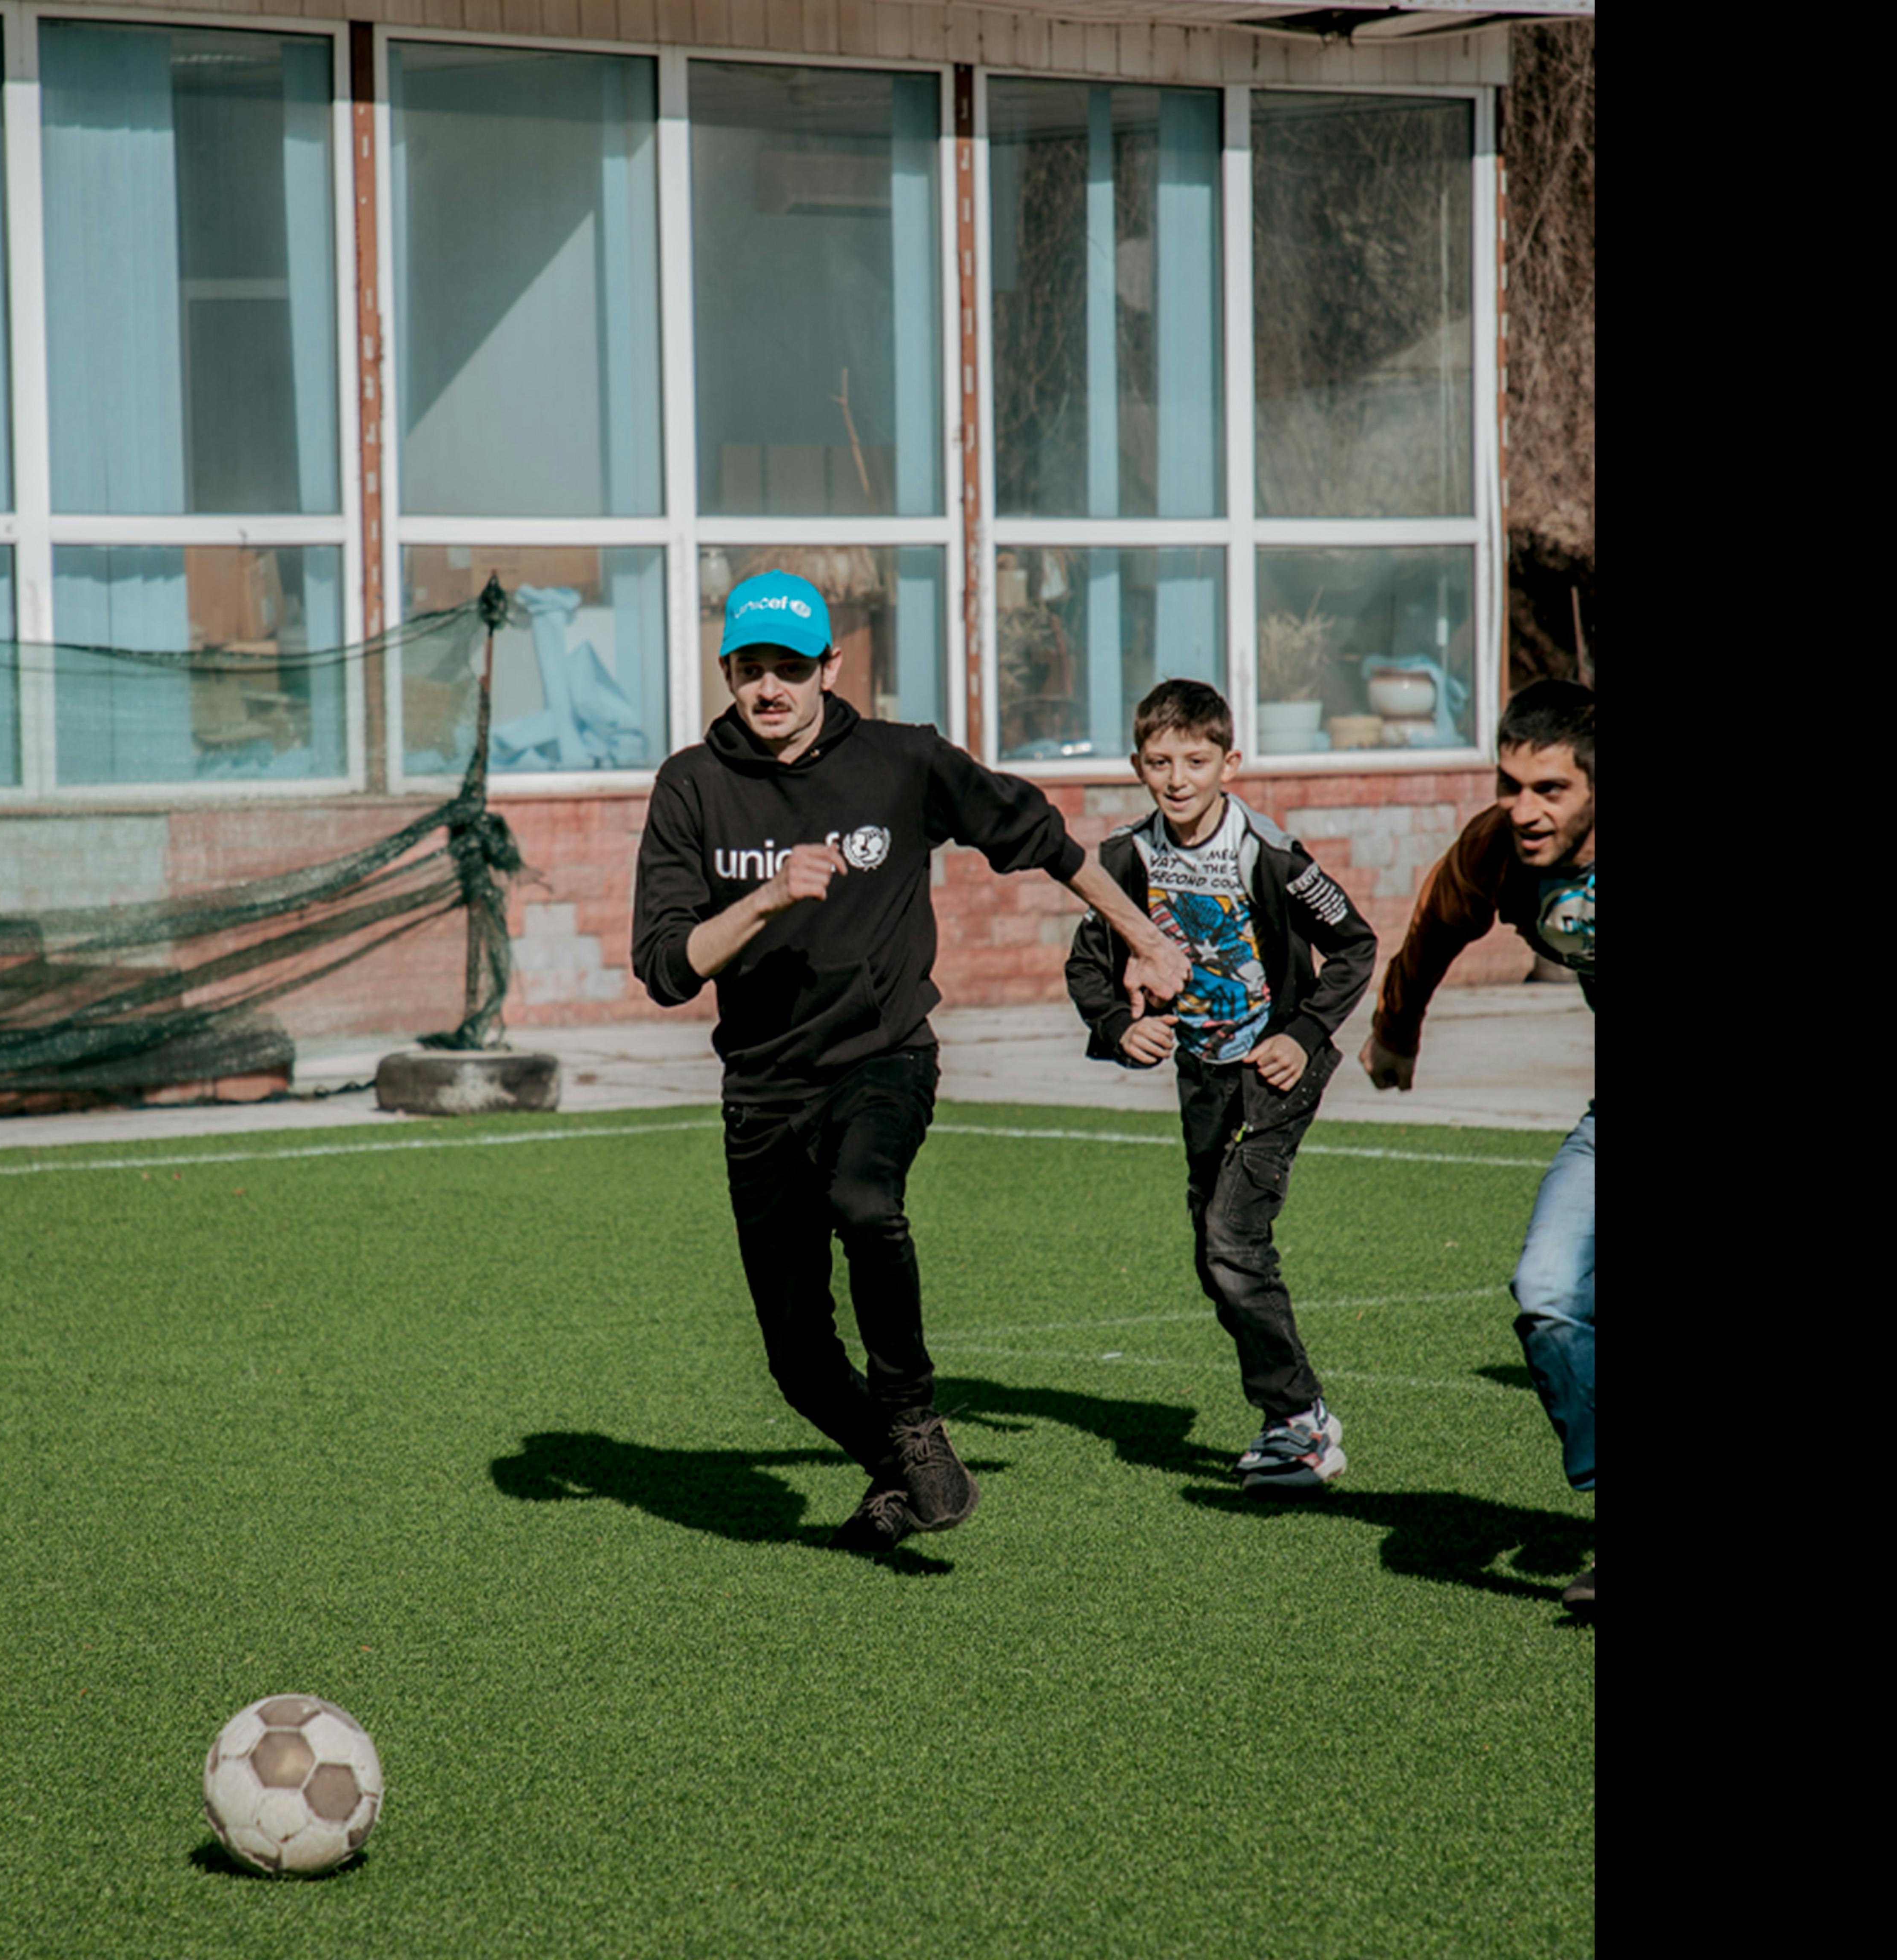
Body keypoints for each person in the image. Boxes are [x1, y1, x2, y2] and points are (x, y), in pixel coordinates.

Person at [632, 571, 1184, 1555]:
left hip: (882, 1057)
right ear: (725, 672)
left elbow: (1043, 840)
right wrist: (765, 900)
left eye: (791, 669)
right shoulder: (692, 786)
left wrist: (1143, 940)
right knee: (797, 1361)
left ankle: (914, 1417)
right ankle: (902, 1467)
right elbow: (665, 969)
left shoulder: (899, 761)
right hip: (760, 1088)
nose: (771, 689)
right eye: (752, 669)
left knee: (863, 1200)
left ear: (829, 669)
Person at [1064, 680, 1381, 1494]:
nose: (1177, 779)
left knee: (1232, 1241)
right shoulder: (1124, 858)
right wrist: (1116, 1027)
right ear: (1137, 765)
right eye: (1160, 763)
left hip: (1277, 1073)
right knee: (1216, 1255)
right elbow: (1087, 965)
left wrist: (1302, 1036)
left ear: (1229, 762)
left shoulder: (1268, 852)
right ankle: (1291, 1417)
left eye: (1196, 761)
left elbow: (1353, 944)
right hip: (1201, 1076)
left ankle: (1299, 1425)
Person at [1358, 678, 1595, 1609]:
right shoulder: (1499, 850)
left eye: (1552, 790)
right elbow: (1432, 929)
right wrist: (1395, 1034)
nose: (1523, 810)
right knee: (1544, 1296)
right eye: (1510, 784)